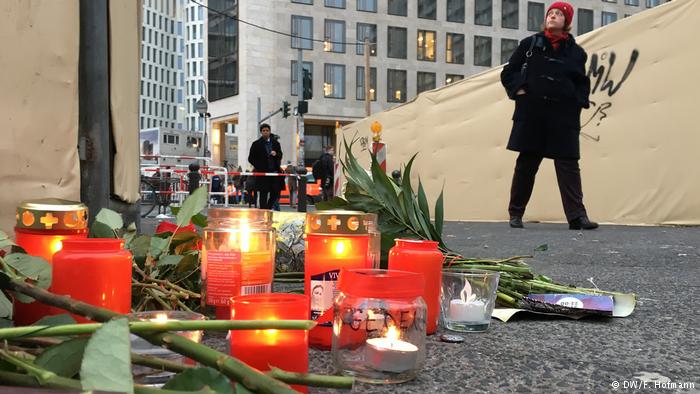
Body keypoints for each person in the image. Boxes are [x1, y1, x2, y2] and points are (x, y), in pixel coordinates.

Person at [500, 2, 598, 230]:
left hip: (563, 116)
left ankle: (577, 217)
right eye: (550, 13)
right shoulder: (530, 44)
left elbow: (581, 82)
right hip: (533, 113)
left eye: (559, 14)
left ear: (567, 21)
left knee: (569, 165)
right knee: (526, 164)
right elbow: (509, 72)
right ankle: (515, 214)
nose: (553, 16)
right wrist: (520, 91)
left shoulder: (576, 53)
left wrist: (578, 102)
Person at [248, 123, 284, 209]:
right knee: (263, 193)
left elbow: (280, 155)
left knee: (275, 192)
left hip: (274, 172)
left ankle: (268, 208)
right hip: (263, 173)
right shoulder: (256, 144)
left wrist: (276, 154)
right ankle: (263, 210)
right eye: (263, 131)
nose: (265, 132)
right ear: (261, 132)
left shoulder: (276, 143)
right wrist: (259, 167)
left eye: (267, 130)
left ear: (269, 131)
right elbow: (251, 158)